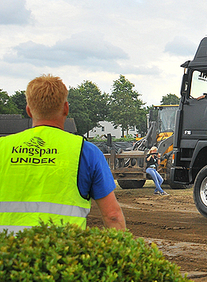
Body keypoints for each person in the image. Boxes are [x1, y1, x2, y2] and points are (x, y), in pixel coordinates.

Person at [0, 75, 126, 234]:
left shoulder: (2, 147)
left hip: (7, 253)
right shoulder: (86, 152)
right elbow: (112, 216)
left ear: (29, 111)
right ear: (66, 108)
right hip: (65, 254)